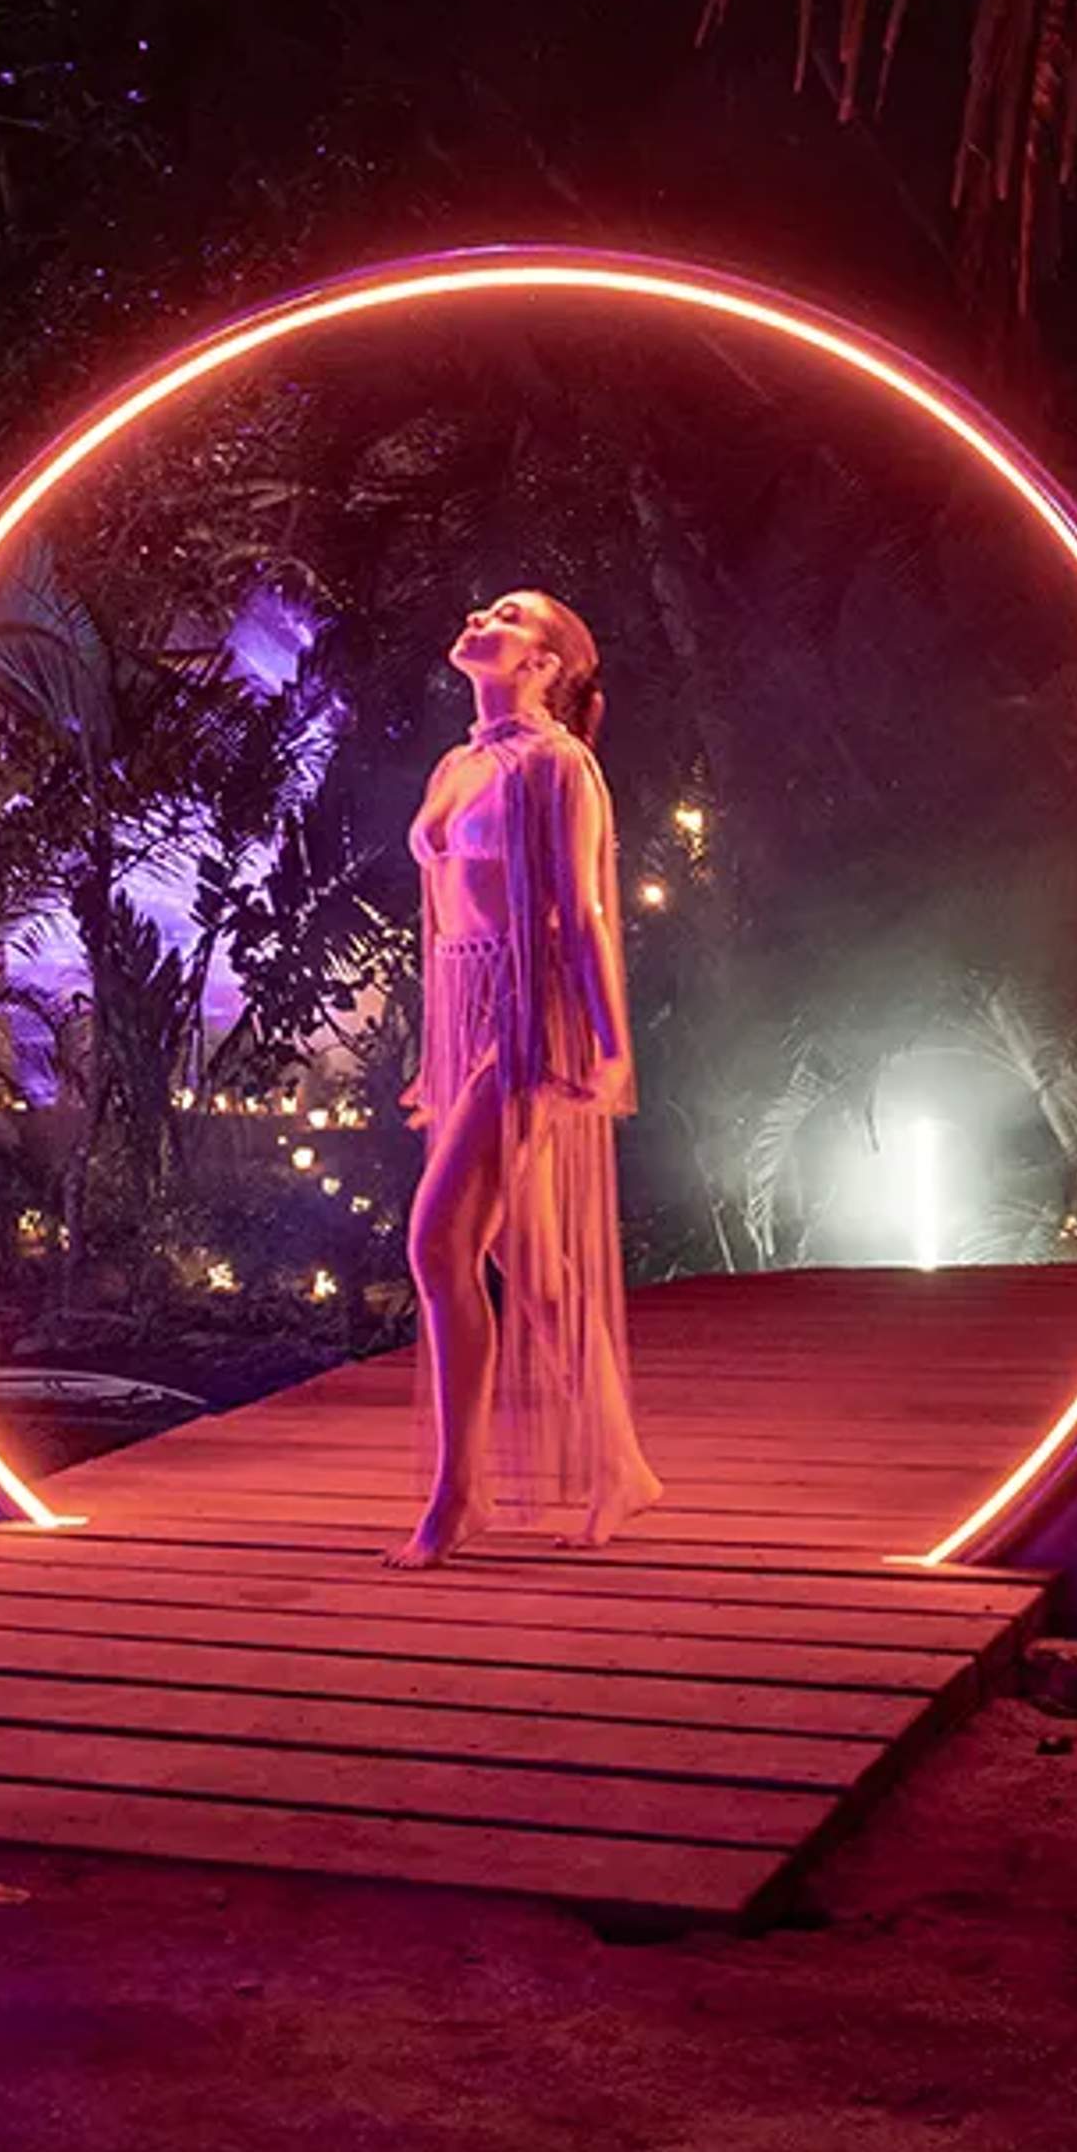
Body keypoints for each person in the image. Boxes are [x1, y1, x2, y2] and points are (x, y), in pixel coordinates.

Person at [388, 589, 663, 1567]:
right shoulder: (458, 764)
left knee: (438, 1242)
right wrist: (435, 1052)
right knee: (532, 1267)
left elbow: (584, 913)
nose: (478, 616)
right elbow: (439, 925)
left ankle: (459, 1495)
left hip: (527, 1014)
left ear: (543, 665)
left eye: (507, 615)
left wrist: (606, 1037)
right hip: (467, 1011)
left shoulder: (560, 765)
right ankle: (620, 1464)